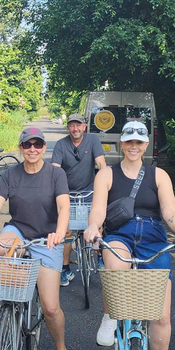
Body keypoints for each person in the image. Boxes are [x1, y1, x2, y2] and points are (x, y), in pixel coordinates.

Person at [84, 121, 175, 350]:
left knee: (161, 314)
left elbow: (169, 210)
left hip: (154, 237)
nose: (134, 146)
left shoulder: (159, 176)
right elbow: (98, 209)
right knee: (114, 260)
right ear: (122, 144)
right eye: (129, 141)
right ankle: (111, 314)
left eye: (139, 142)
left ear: (146, 145)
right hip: (121, 233)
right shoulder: (107, 175)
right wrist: (93, 227)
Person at [0, 127, 73, 350]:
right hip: (19, 229)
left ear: (43, 148)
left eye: (38, 145)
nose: (33, 149)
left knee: (50, 308)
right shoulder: (11, 174)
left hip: (47, 237)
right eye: (28, 145)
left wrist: (59, 233)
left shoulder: (55, 174)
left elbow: (64, 206)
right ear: (20, 147)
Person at [51, 113, 106, 286]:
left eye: (78, 125)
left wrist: (104, 187)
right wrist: (56, 191)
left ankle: (100, 256)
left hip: (89, 192)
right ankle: (65, 268)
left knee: (99, 223)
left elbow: (101, 165)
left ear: (84, 127)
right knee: (66, 230)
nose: (75, 129)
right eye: (72, 125)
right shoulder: (61, 145)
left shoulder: (93, 140)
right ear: (68, 128)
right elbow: (55, 170)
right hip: (68, 194)